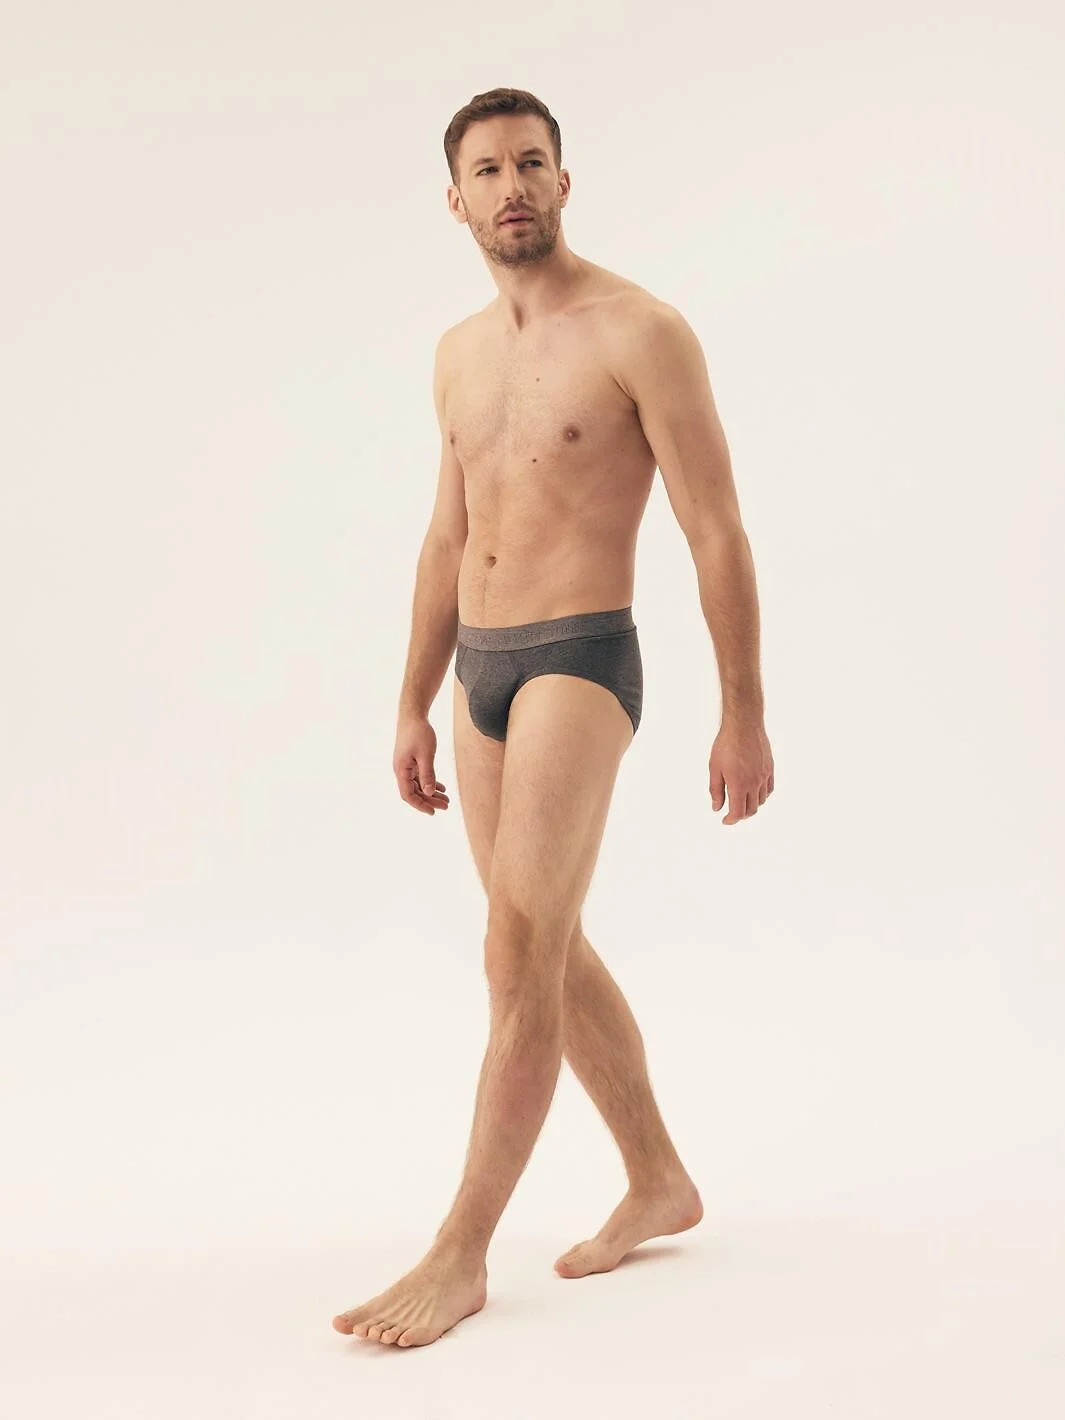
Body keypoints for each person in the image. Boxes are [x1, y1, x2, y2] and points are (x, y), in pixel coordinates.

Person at [333, 87, 774, 1349]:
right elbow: (445, 537)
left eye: (532, 161)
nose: (512, 184)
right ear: (456, 200)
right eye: (488, 169)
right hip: (477, 666)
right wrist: (411, 700)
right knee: (547, 945)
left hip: (581, 654)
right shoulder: (456, 354)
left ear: (565, 182)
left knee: (515, 950)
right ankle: (658, 1177)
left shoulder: (642, 330)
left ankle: (461, 1250)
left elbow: (715, 529)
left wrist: (743, 711)